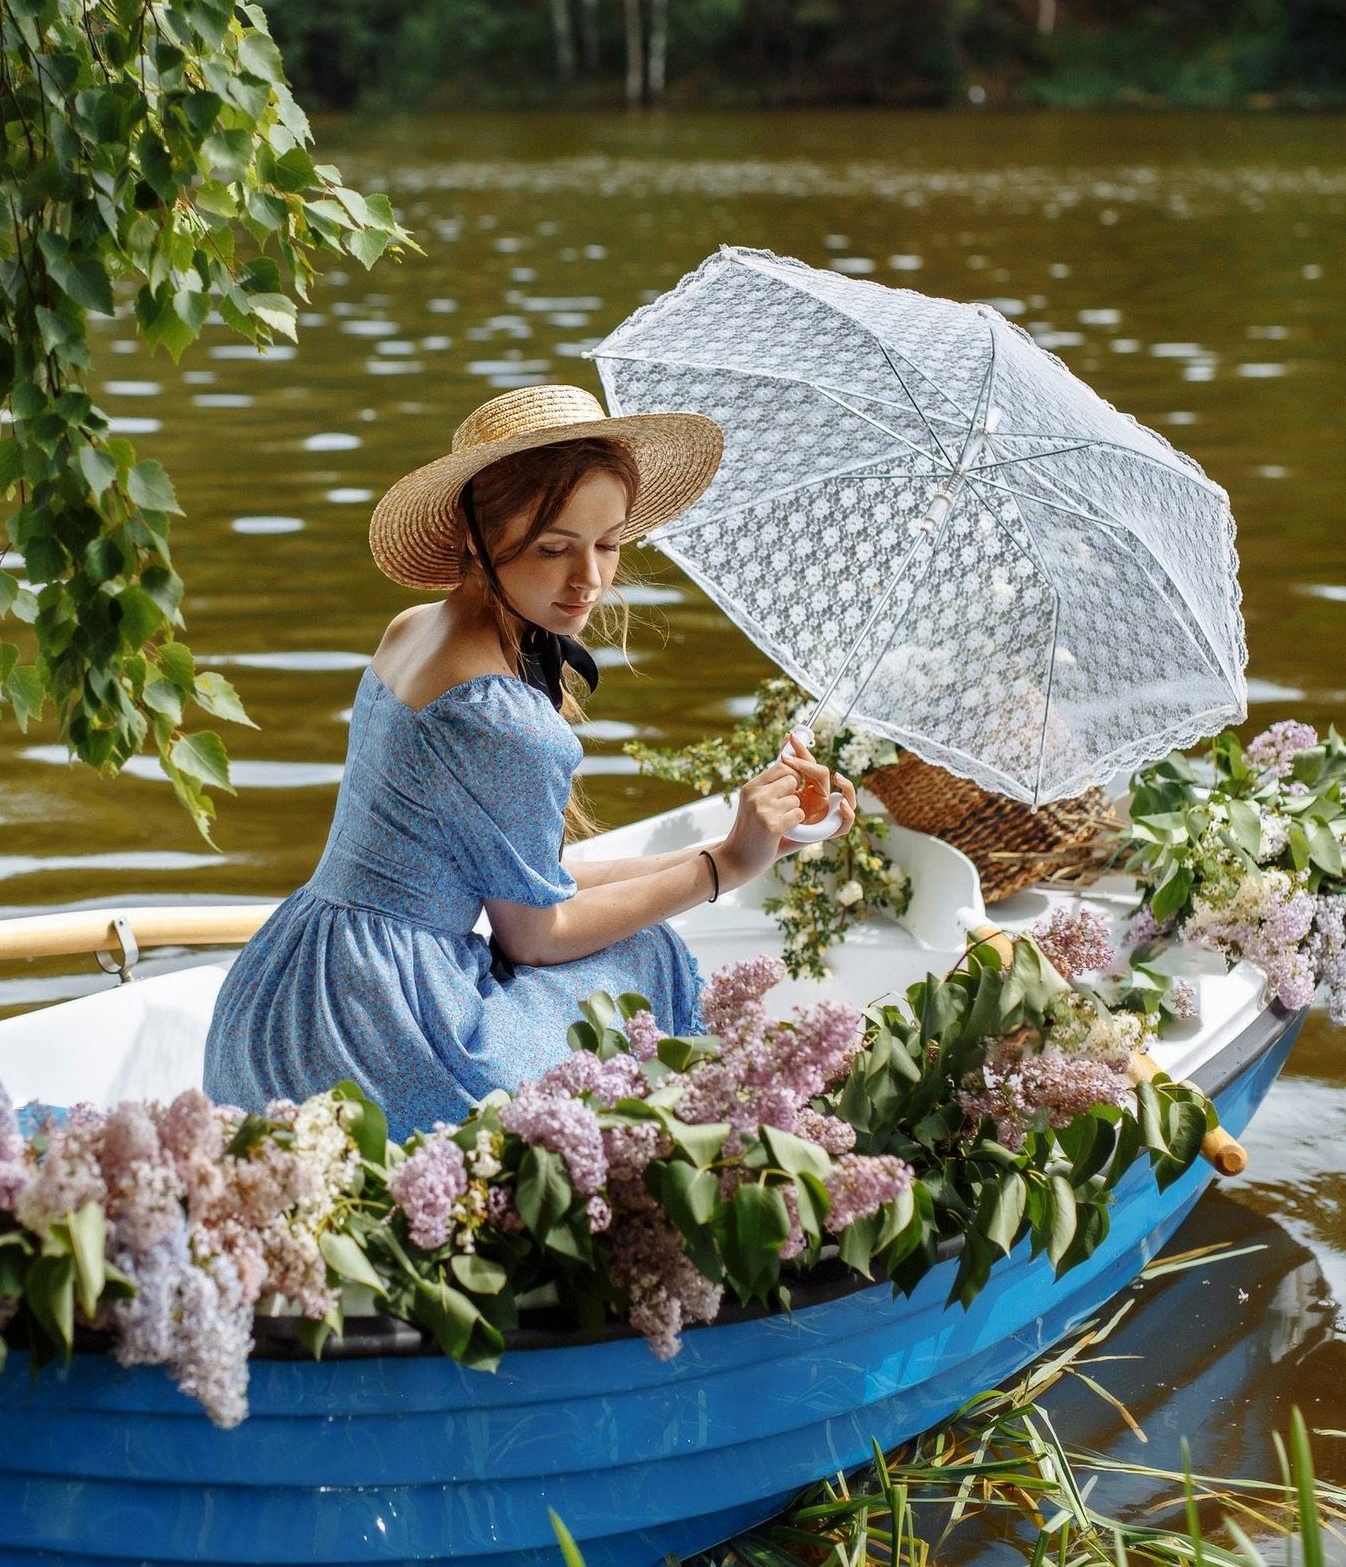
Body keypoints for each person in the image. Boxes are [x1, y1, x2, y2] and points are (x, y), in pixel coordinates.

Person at [201, 384, 856, 1134]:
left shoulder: (411, 628)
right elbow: (535, 936)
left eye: (607, 543)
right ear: (480, 538)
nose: (590, 578)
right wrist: (726, 871)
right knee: (644, 952)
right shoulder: (503, 718)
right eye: (554, 548)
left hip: (282, 997)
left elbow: (519, 882)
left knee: (627, 933)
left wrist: (730, 842)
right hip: (377, 1041)